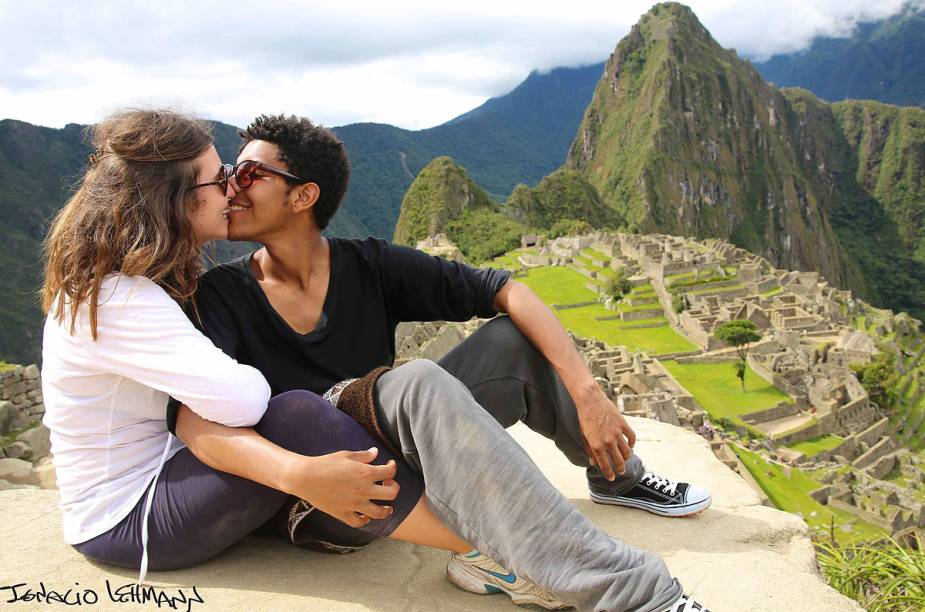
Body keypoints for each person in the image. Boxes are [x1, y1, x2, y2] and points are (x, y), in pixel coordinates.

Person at [167, 114, 712, 611]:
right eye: (230, 174)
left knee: (511, 340)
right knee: (415, 380)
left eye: (248, 174)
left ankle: (616, 477)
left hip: (400, 450)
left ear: (303, 195)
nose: (230, 187)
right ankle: (633, 596)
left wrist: (588, 394)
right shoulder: (220, 296)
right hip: (329, 498)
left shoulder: (369, 264)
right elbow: (194, 421)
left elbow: (509, 292)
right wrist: (297, 473)